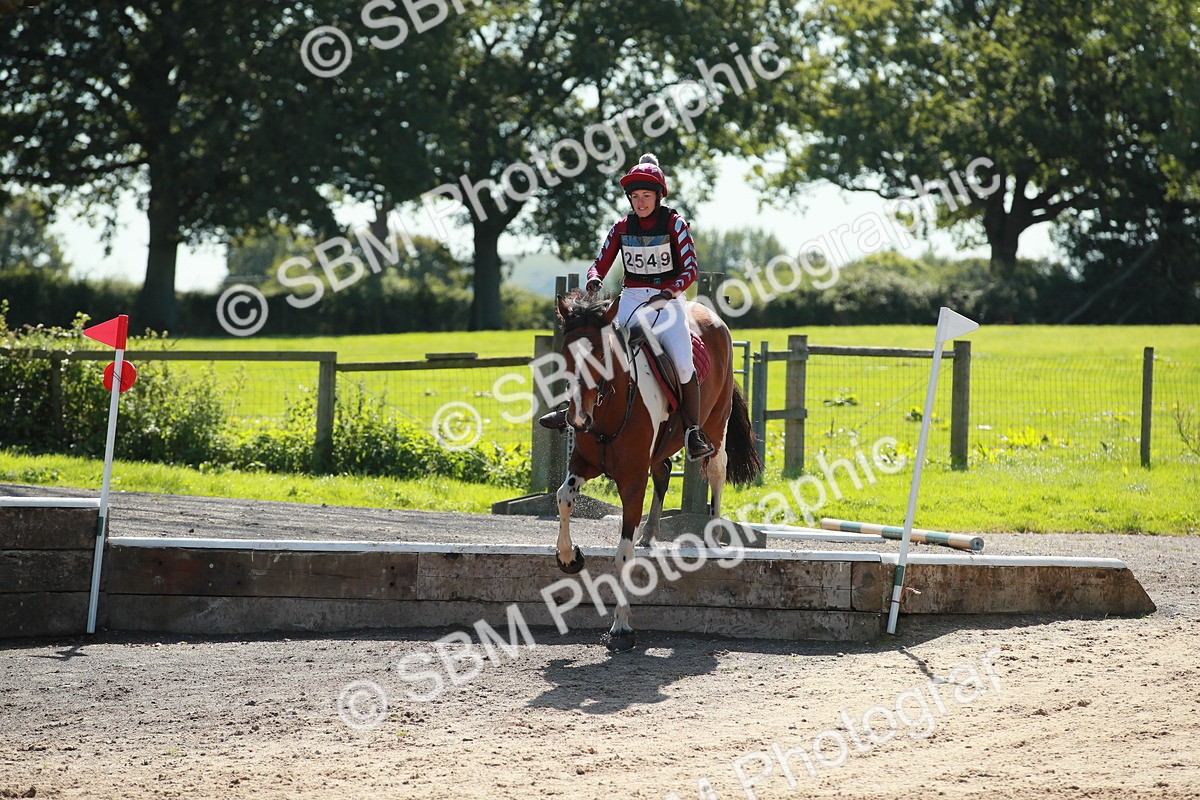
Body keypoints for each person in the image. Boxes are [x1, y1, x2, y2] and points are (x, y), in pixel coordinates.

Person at [540, 153, 715, 461]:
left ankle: (692, 432)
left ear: (659, 196)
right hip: (631, 300)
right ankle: (570, 411)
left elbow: (690, 270)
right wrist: (595, 279)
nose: (640, 202)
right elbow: (600, 262)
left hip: (668, 304)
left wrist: (669, 291)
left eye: (646, 196)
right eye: (635, 197)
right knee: (592, 348)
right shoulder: (621, 227)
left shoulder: (675, 224)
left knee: (684, 363)